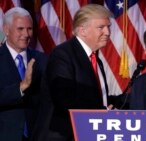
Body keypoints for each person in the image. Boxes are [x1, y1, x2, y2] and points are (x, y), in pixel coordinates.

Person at [45, 4, 115, 140]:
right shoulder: (63, 55)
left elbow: (94, 97)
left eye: (108, 27)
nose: (107, 32)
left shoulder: (94, 58)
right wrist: (101, 112)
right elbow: (64, 100)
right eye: (101, 27)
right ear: (83, 30)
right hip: (66, 135)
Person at [0, 7, 47, 141]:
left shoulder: (43, 60)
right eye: (20, 29)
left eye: (29, 29)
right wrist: (22, 86)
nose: (26, 34)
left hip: (37, 135)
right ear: (6, 30)